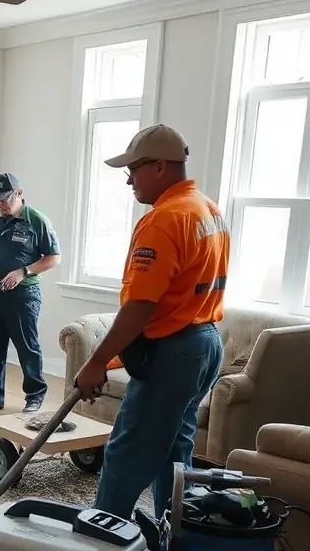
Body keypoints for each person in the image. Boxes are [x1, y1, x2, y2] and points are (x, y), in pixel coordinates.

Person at [75, 124, 229, 521]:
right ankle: (174, 545)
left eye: (134, 168)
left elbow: (141, 304)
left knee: (128, 451)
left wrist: (95, 362)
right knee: (175, 450)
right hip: (205, 343)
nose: (128, 179)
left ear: (160, 167)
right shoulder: (207, 209)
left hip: (174, 350)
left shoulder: (165, 219)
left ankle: (100, 546)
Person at [0, 172, 61, 414]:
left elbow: (53, 258)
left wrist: (23, 271)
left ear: (19, 193)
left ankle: (35, 396)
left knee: (27, 347)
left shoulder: (37, 221)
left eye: (4, 198)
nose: (0, 204)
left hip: (23, 298)